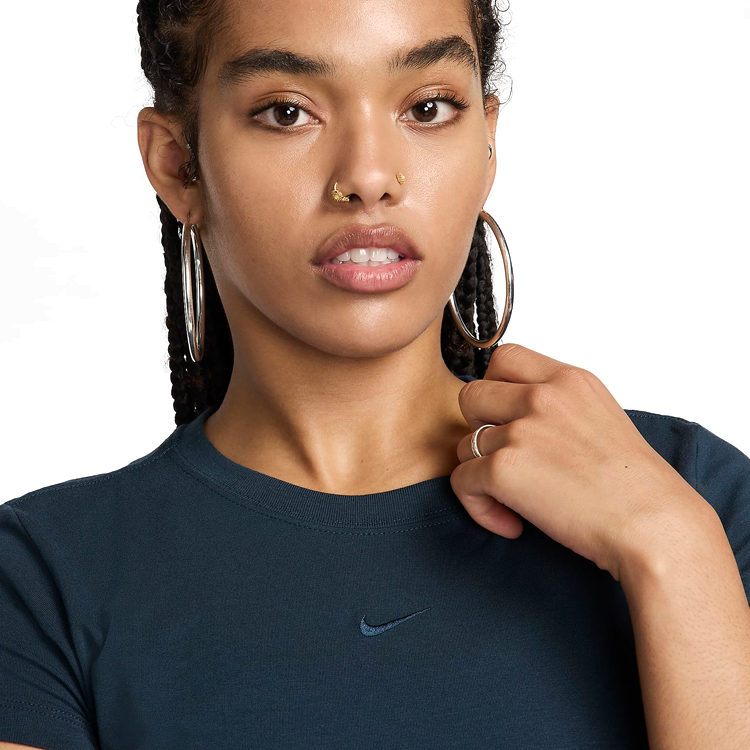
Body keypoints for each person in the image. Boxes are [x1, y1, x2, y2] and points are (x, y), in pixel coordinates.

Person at [2, 1, 749, 748]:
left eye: (427, 108)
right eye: (288, 112)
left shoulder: (691, 497)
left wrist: (674, 553)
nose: (368, 178)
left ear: (488, 142)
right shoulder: (39, 585)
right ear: (177, 165)